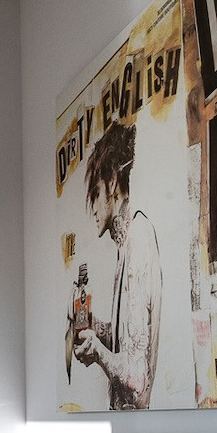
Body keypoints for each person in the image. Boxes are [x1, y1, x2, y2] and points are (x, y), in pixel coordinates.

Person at [73, 122, 161, 409]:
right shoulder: (125, 244)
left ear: (112, 183)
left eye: (95, 194)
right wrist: (94, 326)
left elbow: (137, 381)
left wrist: (97, 352)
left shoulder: (138, 238)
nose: (93, 209)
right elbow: (129, 339)